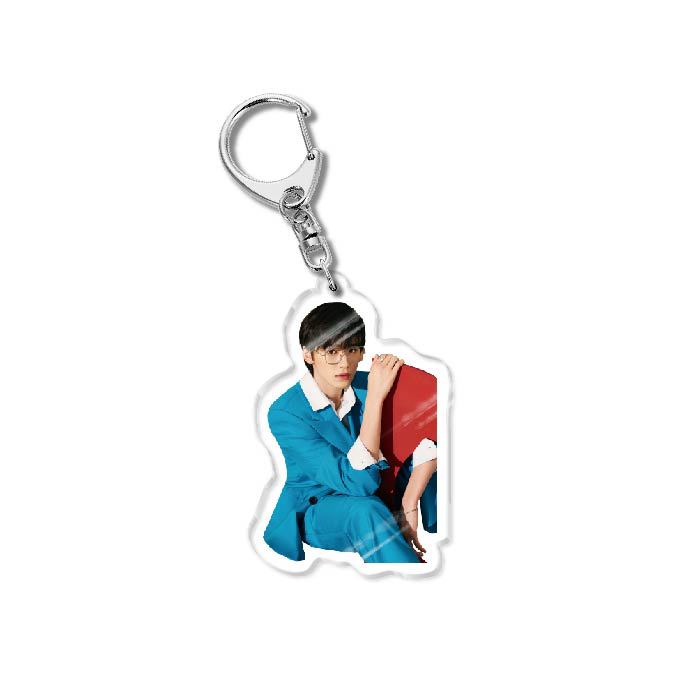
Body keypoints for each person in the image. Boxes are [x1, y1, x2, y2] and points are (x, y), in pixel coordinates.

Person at [263, 301, 437, 564]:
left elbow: (431, 427)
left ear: (361, 353)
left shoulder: (368, 382)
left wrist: (410, 502)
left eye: (352, 350)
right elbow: (358, 484)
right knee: (366, 510)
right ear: (308, 355)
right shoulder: (286, 414)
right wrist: (376, 399)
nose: (343, 363)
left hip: (379, 487)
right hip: (318, 506)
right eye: (331, 352)